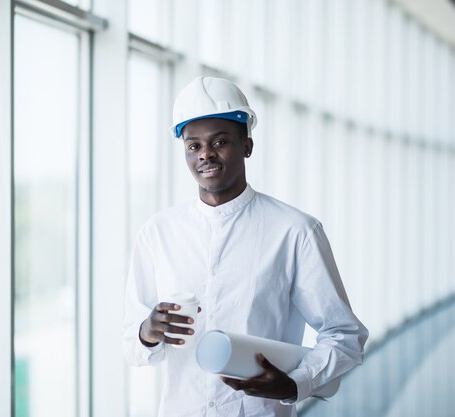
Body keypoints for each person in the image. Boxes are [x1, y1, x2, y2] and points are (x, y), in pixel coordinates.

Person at [123, 76, 368, 417]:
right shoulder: (158, 233)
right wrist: (147, 332)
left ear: (247, 145)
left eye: (220, 141)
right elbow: (131, 347)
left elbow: (344, 335)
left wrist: (297, 383)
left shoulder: (295, 231)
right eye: (193, 146)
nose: (206, 154)